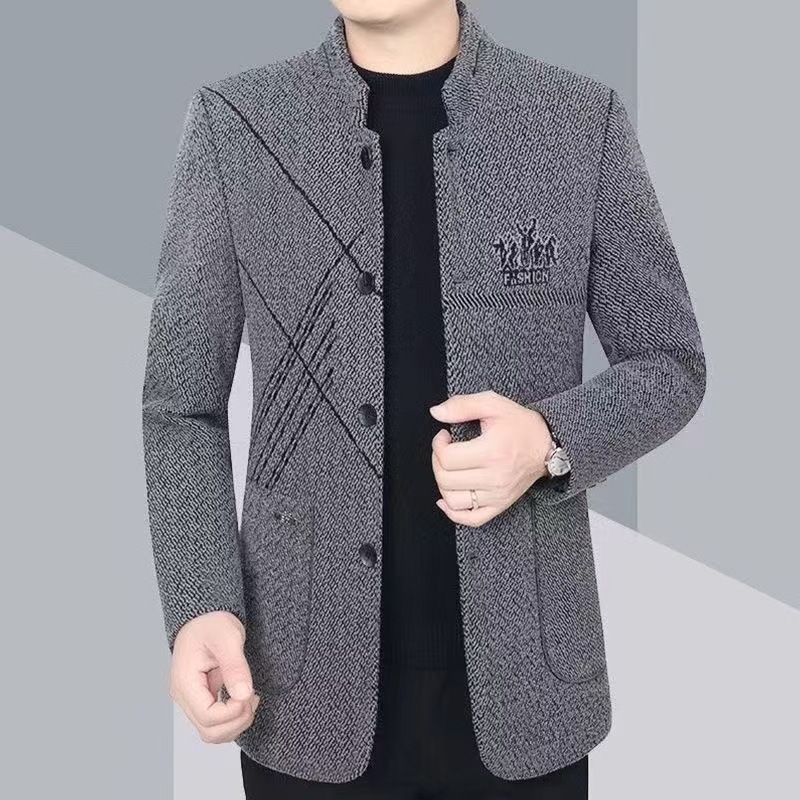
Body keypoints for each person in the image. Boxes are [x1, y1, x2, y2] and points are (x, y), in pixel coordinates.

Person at [141, 1, 706, 798]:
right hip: (302, 690)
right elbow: (181, 403)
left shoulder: (579, 120)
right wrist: (202, 604)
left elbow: (671, 363)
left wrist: (548, 440)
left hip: (530, 691)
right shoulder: (237, 124)